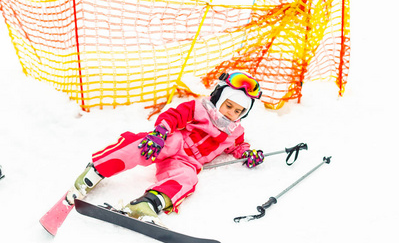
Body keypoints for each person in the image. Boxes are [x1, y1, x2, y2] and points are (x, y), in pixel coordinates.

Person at [65, 71, 265, 226]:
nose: (231, 113)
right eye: (228, 106)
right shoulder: (198, 108)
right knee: (143, 146)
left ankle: (148, 203)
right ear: (219, 98)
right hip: (173, 141)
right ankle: (96, 170)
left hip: (187, 162)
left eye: (238, 111)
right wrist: (160, 133)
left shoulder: (234, 132)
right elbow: (173, 116)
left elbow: (238, 147)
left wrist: (248, 154)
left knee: (188, 178)